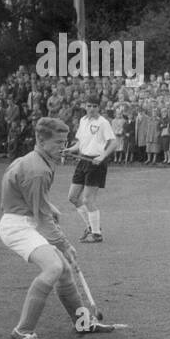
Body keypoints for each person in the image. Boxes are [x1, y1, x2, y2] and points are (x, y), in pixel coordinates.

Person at [0, 117, 114, 339]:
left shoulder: (41, 160)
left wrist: (46, 205)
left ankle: (82, 323)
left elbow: (19, 191)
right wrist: (64, 244)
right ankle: (23, 330)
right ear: (41, 140)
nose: (63, 147)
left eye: (65, 141)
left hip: (25, 218)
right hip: (18, 226)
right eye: (58, 142)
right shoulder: (38, 169)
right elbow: (42, 219)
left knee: (64, 271)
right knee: (54, 267)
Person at [67, 98, 119, 244]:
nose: (91, 108)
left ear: (99, 107)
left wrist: (103, 155)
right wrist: (69, 150)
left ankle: (96, 234)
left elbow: (114, 142)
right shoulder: (83, 120)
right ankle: (91, 226)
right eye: (89, 106)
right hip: (83, 161)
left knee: (88, 200)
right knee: (73, 197)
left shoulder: (103, 122)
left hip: (96, 162)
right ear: (85, 106)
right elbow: (80, 143)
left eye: (94, 106)